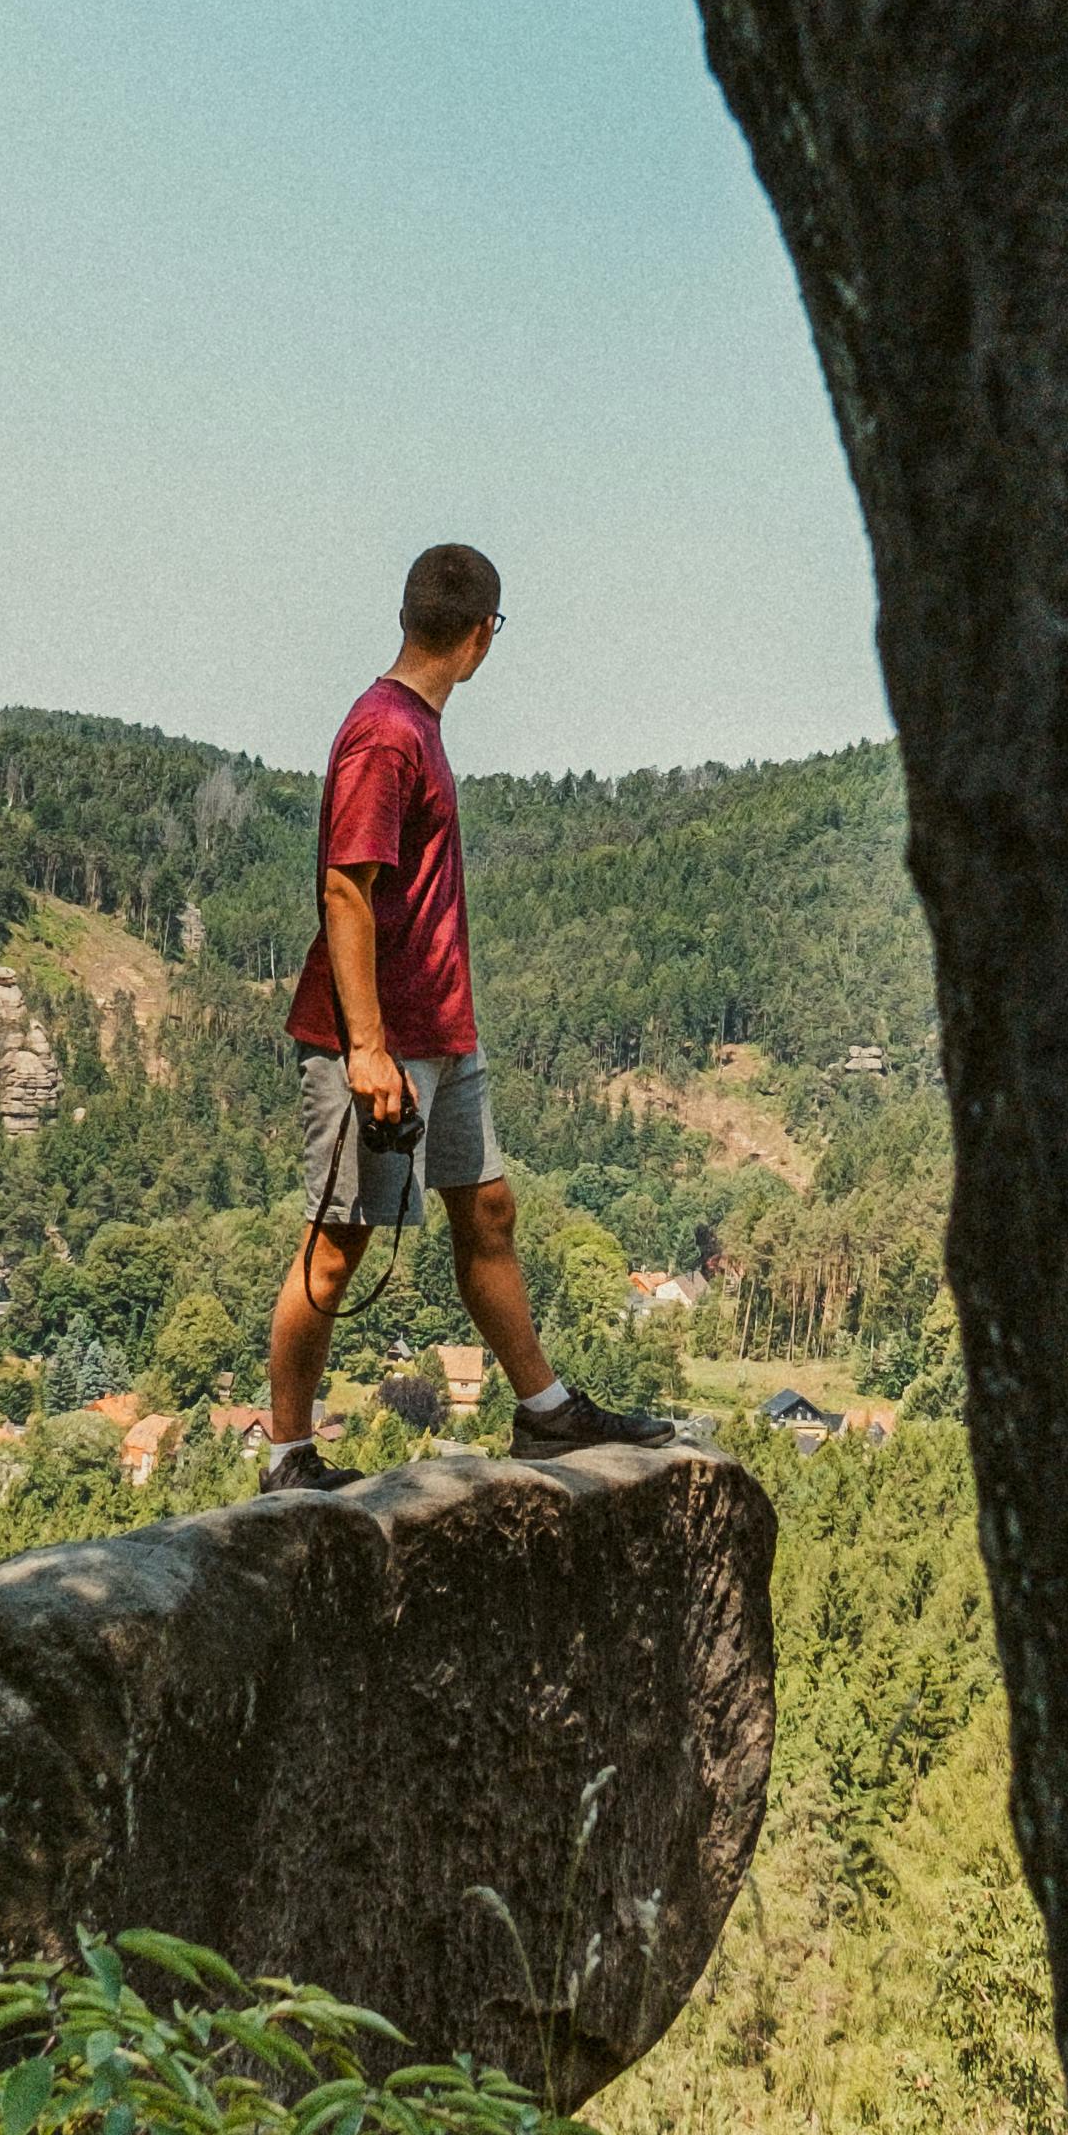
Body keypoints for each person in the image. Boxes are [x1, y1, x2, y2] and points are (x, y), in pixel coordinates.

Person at [259, 542, 651, 1488]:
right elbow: (345, 892)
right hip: (382, 1045)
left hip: (441, 1033)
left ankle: (545, 1413)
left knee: (488, 1211)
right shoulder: (386, 732)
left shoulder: (412, 726)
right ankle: (287, 1458)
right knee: (338, 1240)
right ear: (482, 635)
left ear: (408, 616)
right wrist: (366, 1049)